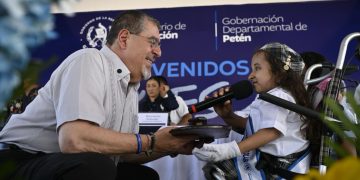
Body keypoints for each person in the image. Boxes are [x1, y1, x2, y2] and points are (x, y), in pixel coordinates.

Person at [0, 10, 200, 180]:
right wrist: (152, 141)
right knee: (96, 166)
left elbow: (124, 153)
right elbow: (74, 140)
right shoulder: (89, 60)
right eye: (153, 42)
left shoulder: (130, 85)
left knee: (143, 176)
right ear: (124, 39)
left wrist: (170, 145)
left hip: (60, 161)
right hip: (17, 161)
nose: (159, 52)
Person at [192, 42, 314, 179]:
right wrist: (228, 116)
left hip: (281, 169)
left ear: (279, 74)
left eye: (257, 68)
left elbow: (270, 132)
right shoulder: (275, 95)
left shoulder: (279, 96)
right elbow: (257, 128)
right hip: (272, 164)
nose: (250, 76)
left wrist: (229, 150)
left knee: (217, 172)